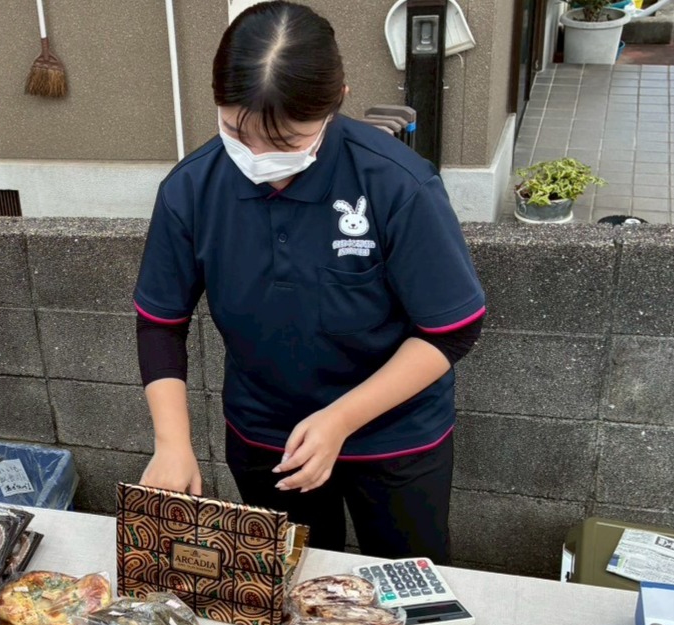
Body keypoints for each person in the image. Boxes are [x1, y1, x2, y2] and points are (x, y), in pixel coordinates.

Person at [134, 1, 484, 563]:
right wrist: (171, 443)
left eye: (287, 141)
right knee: (290, 592)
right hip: (267, 434)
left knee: (403, 596)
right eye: (235, 130)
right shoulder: (192, 189)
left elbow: (452, 329)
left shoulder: (396, 183)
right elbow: (159, 323)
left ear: (336, 98)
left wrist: (341, 419)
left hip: (394, 436)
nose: (257, 155)